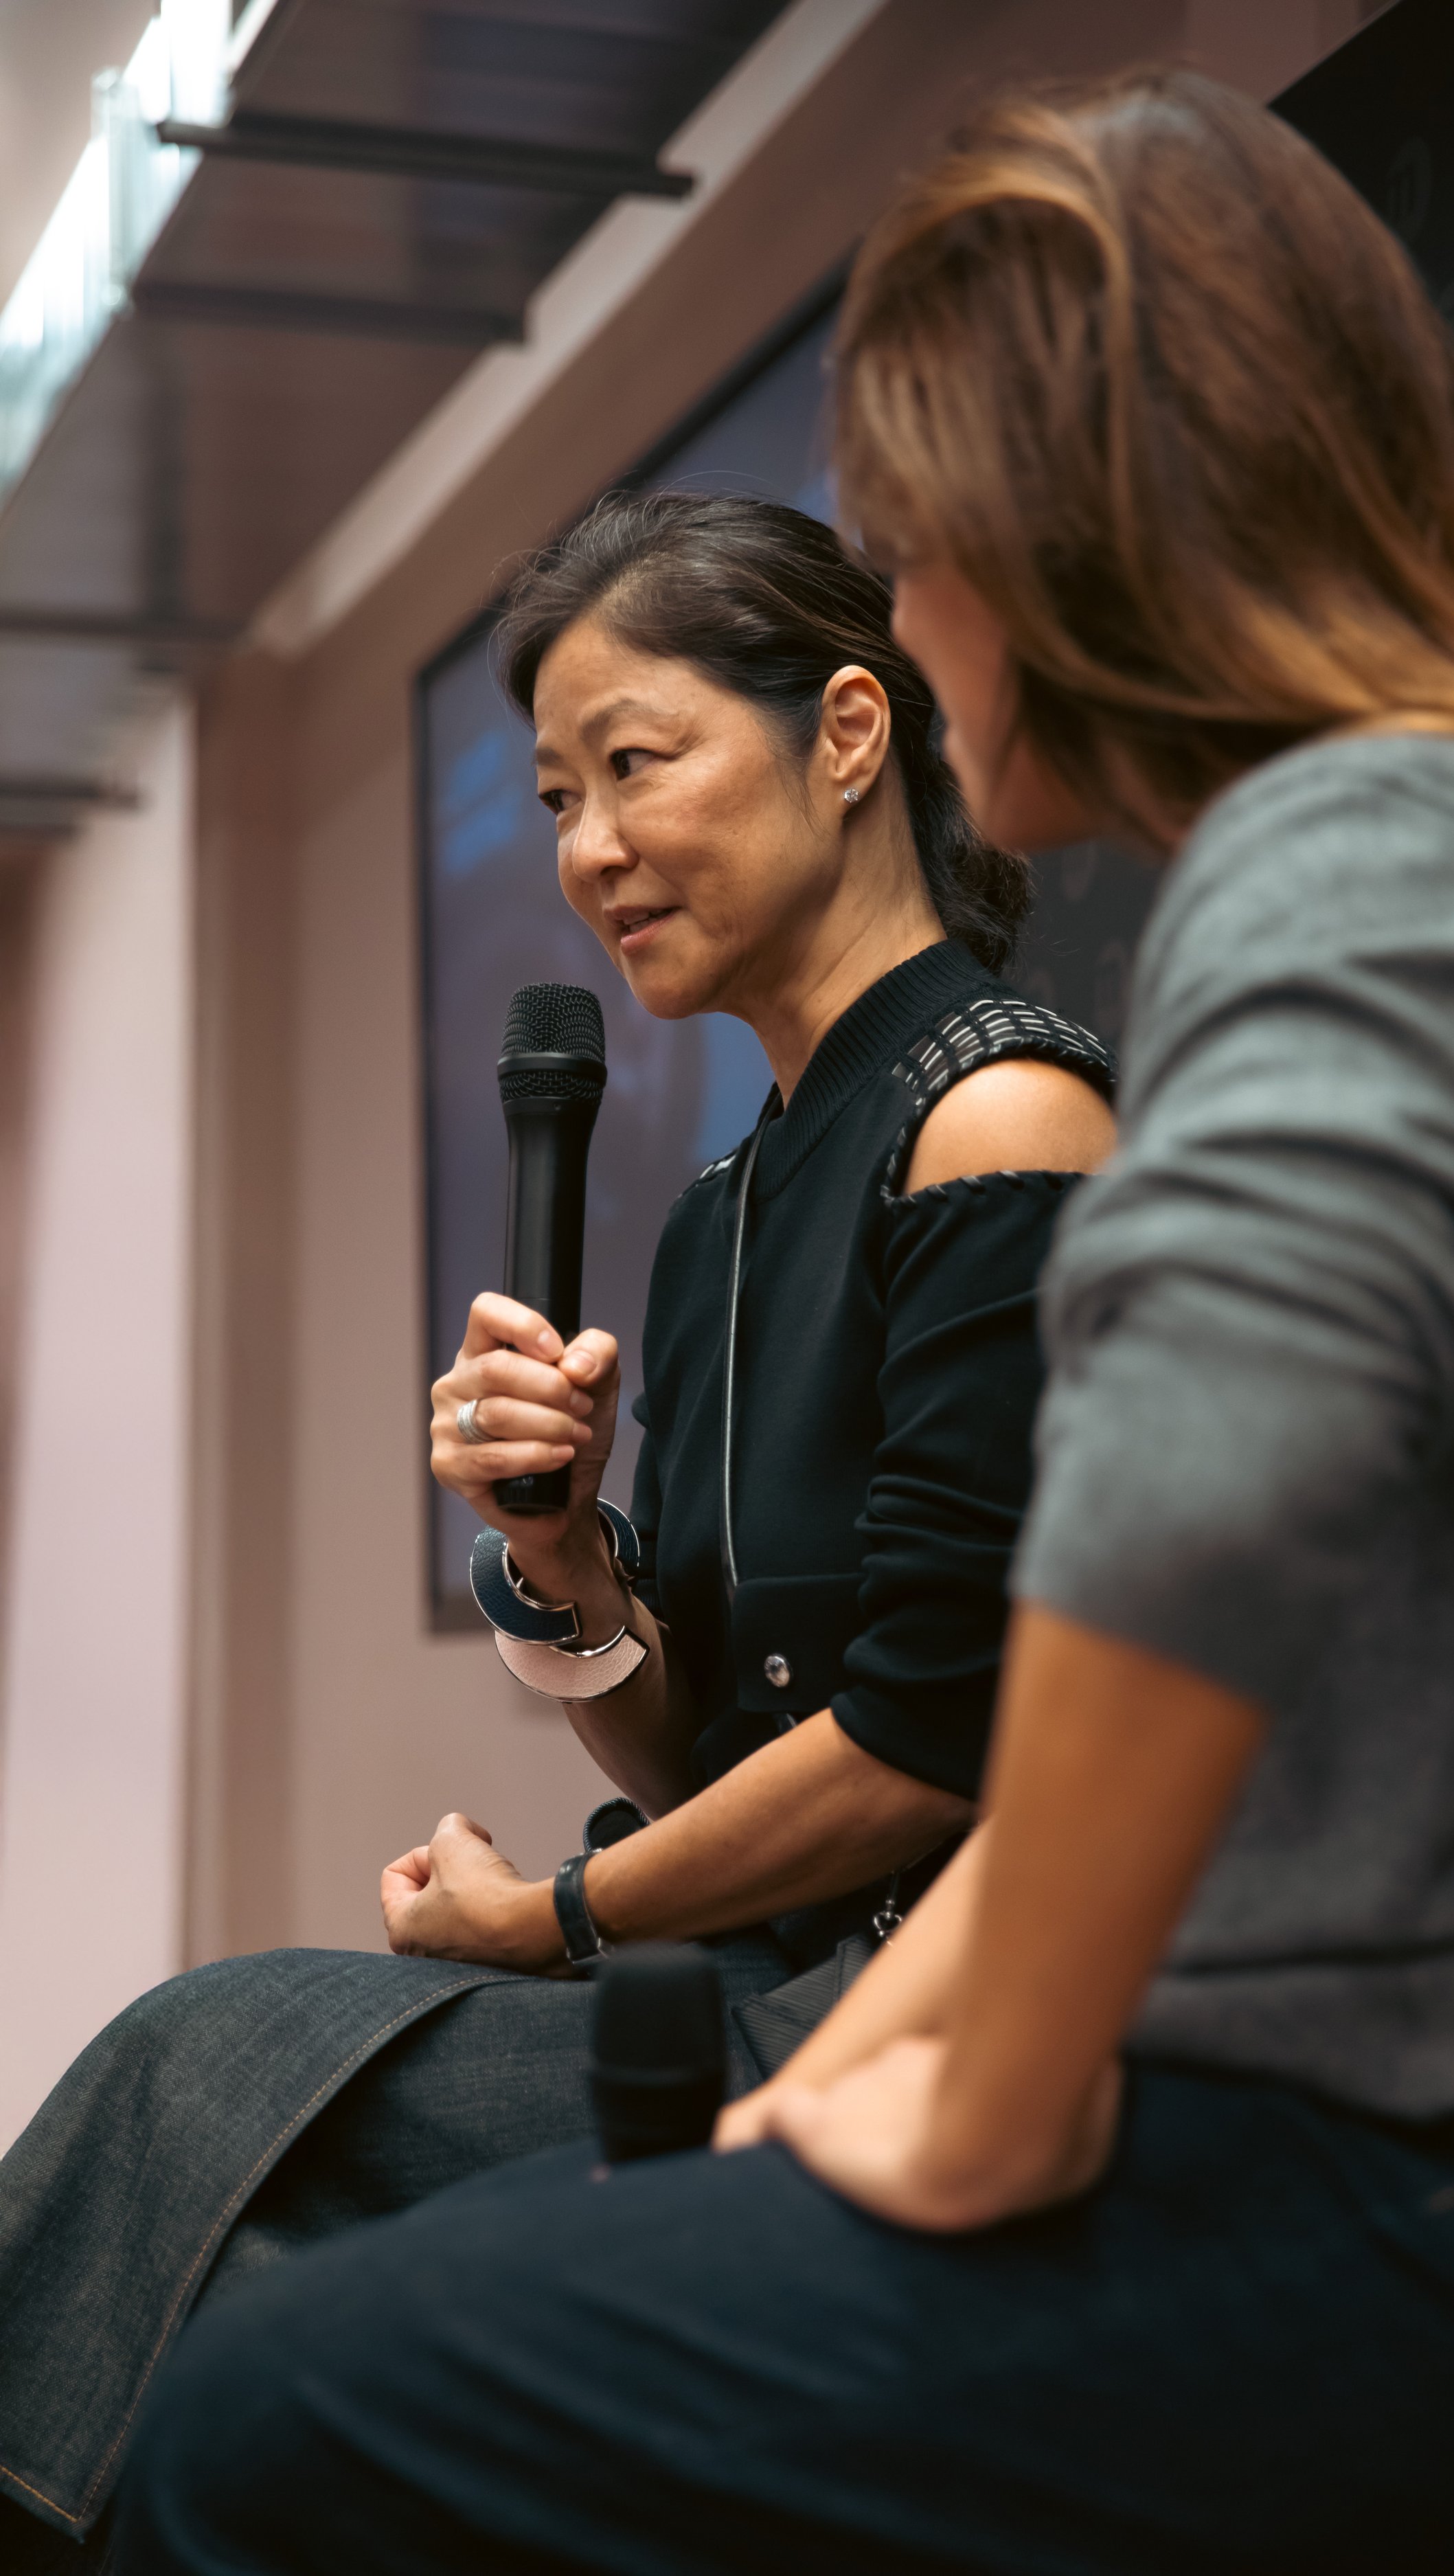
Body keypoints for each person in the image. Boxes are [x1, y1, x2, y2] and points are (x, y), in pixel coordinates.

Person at [104, 67, 1454, 2575]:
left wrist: (937, 2093)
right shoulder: (1401, 861)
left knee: (275, 2398)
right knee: (224, 2174)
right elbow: (1091, 1654)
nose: (924, 639)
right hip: (1364, 2084)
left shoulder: (1367, 868)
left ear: (1075, 532)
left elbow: (1130, 1589)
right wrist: (571, 1589)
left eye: (922, 561)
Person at [0, 490, 1115, 2569]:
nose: (586, 849)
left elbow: (929, 1743)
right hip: (736, 1958)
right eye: (551, 795)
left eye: (636, 763)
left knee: (202, 2076)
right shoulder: (720, 1208)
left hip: (907, 2013)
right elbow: (691, 1740)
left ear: (849, 735)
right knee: (193, 2122)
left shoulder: (1000, 1120)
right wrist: (565, 1568)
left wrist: (557, 1923)